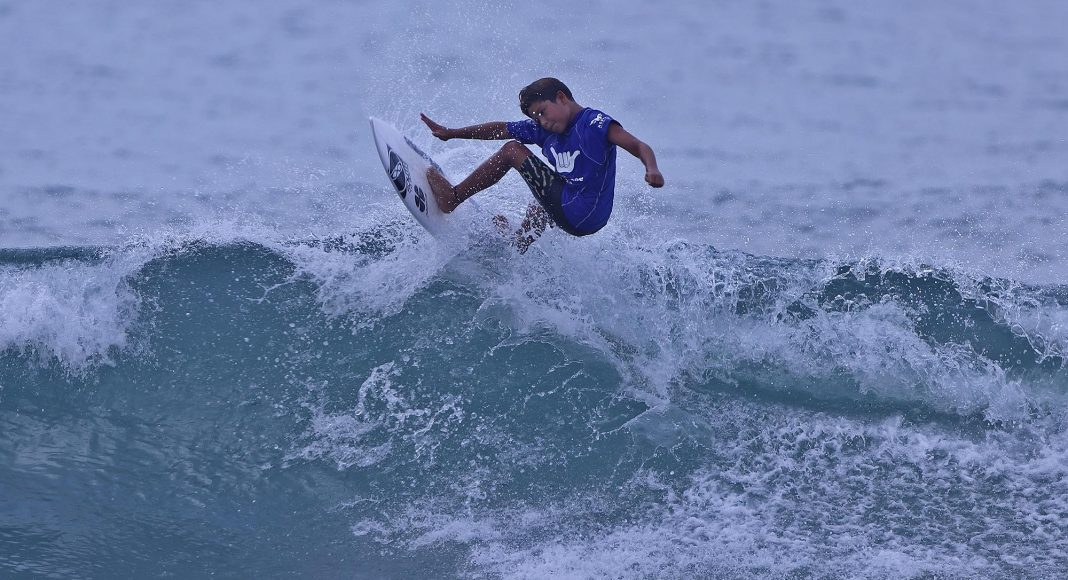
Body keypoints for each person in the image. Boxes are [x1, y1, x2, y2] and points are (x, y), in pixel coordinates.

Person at [420, 77, 664, 251]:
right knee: (540, 202)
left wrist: (651, 168)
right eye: (535, 118)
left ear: (561, 98)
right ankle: (519, 244)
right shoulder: (543, 130)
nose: (541, 121)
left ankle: (452, 198)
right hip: (583, 211)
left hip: (580, 212)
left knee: (512, 150)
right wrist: (452, 133)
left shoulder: (593, 123)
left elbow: (640, 146)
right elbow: (501, 128)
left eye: (543, 112)